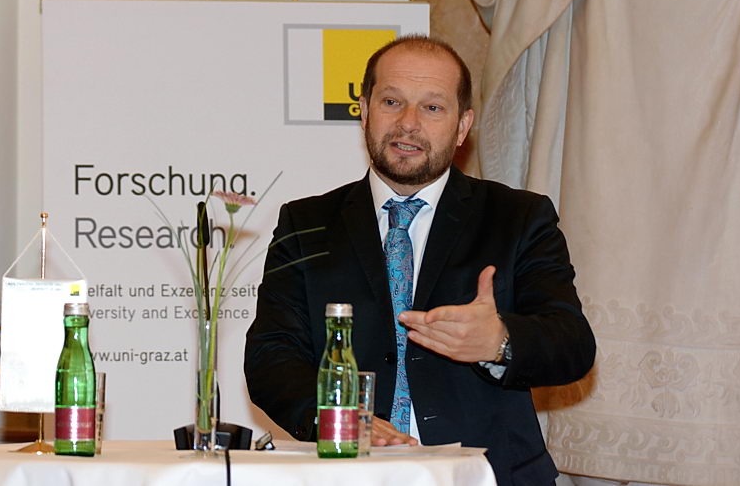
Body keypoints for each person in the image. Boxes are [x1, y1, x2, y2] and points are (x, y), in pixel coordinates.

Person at [244, 35, 596, 486]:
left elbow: (572, 344)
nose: (408, 123)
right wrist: (338, 420)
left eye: (432, 107)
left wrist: (500, 342)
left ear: (462, 126)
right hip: (348, 474)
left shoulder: (519, 217)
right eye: (392, 101)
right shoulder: (306, 223)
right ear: (364, 111)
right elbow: (271, 356)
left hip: (488, 476)